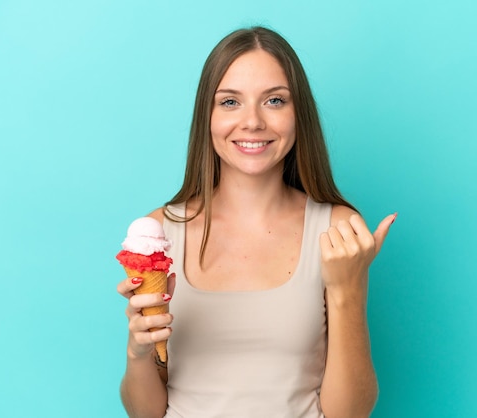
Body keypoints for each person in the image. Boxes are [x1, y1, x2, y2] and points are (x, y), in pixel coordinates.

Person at [116, 26, 396, 418]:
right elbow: (144, 414)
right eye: (230, 102)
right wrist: (138, 352)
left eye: (274, 101)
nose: (252, 122)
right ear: (207, 116)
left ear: (299, 114)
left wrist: (347, 288)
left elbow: (350, 413)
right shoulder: (158, 233)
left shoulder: (338, 229)